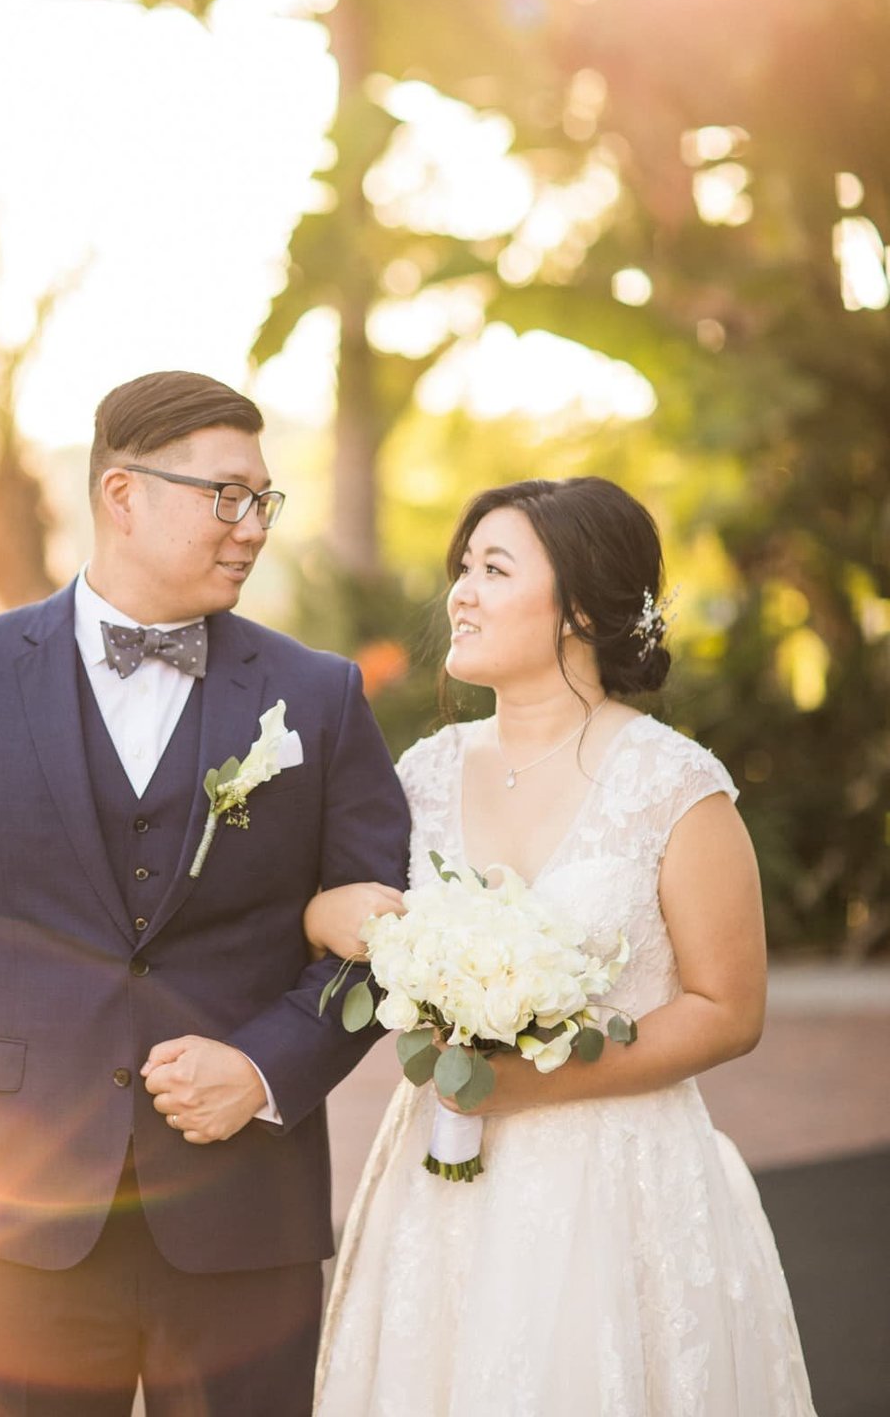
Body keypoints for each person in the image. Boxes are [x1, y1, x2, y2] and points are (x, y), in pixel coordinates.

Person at [0, 369, 411, 1417]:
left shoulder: (318, 697)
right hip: (20, 1205)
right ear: (123, 495)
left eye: (264, 501)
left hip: (246, 1216)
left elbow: (386, 940)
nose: (253, 527)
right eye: (226, 495)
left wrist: (267, 1066)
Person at [308, 476, 816, 1417]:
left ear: (580, 607)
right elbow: (354, 918)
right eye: (463, 568)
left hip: (616, 1183)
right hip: (442, 1181)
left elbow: (727, 1010)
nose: (460, 591)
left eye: (493, 569)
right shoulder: (419, 773)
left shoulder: (674, 785)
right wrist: (326, 917)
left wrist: (532, 1081)